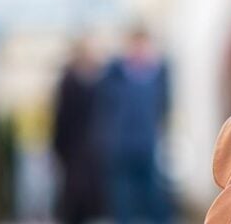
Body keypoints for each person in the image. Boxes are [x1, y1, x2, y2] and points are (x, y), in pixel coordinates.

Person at [96, 27, 173, 223]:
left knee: (153, 195)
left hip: (147, 144)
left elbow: (163, 107)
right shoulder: (115, 75)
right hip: (122, 145)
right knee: (123, 199)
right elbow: (105, 107)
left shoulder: (158, 74)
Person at [52, 38, 106, 224]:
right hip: (74, 152)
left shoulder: (98, 83)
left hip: (91, 151)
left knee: (91, 201)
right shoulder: (69, 82)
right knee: (74, 200)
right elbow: (61, 119)